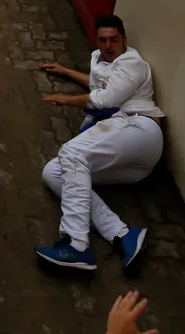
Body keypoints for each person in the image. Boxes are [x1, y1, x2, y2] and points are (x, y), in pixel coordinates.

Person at [35, 14, 164, 274]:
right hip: (132, 161)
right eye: (103, 40)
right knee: (54, 172)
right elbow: (97, 83)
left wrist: (66, 99)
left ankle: (76, 244)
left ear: (124, 40)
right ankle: (123, 234)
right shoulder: (100, 59)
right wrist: (65, 71)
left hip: (141, 129)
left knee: (71, 152)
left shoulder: (132, 63)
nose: (108, 45)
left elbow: (105, 99)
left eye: (114, 40)